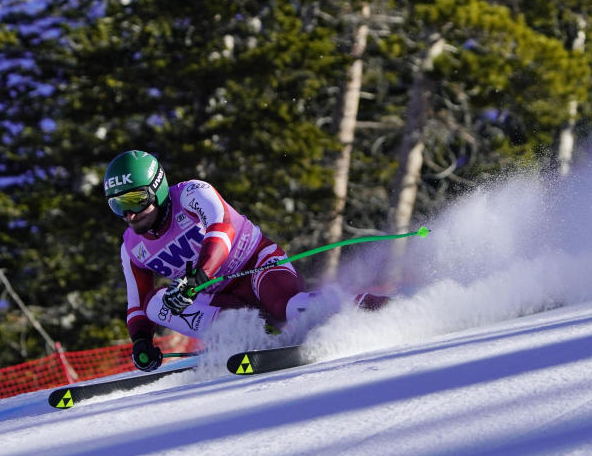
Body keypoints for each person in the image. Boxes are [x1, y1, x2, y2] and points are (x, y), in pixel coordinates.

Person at [104, 150, 386, 371]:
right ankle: (248, 335)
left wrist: (199, 275)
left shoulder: (192, 193)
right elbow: (137, 303)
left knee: (286, 306)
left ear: (158, 188)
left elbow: (221, 229)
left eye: (136, 200)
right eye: (118, 205)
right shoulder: (131, 248)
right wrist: (142, 342)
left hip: (257, 266)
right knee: (156, 305)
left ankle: (373, 307)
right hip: (221, 299)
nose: (129, 214)